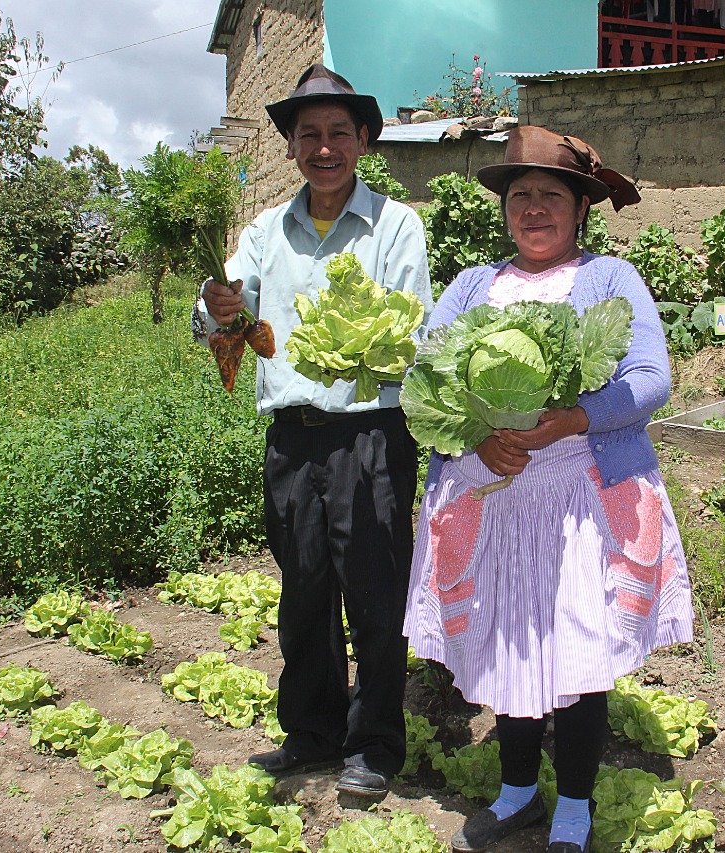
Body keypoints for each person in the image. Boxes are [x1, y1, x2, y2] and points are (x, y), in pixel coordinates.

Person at [402, 126, 694, 853]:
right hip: (492, 495)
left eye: (551, 196)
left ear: (580, 209)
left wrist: (574, 416)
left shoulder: (610, 279)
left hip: (582, 501)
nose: (534, 208)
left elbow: (650, 379)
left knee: (580, 649)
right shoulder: (473, 284)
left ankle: (576, 804)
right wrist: (476, 438)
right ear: (504, 209)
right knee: (511, 641)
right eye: (520, 195)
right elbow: (424, 375)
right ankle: (516, 791)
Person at [192, 64, 432, 799]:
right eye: (308, 135)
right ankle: (312, 734)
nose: (323, 148)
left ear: (363, 139)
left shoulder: (396, 224)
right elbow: (221, 320)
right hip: (292, 440)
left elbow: (411, 334)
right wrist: (219, 305)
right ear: (291, 147)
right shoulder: (264, 230)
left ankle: (375, 743)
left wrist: (365, 346)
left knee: (374, 593)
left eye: (337, 133)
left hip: (371, 436)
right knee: (302, 591)